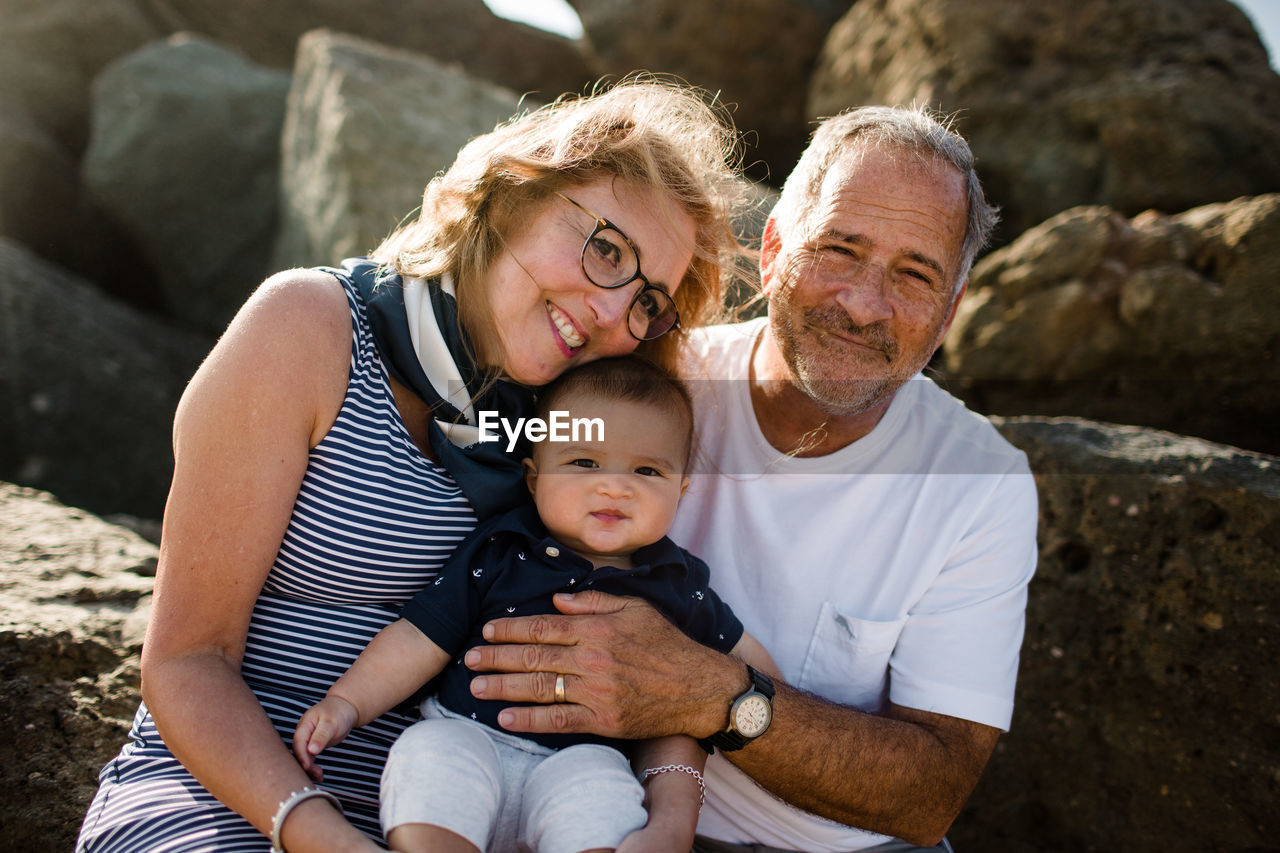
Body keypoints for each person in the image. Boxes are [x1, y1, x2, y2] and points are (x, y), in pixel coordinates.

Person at [75, 78, 749, 853]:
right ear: (513, 193)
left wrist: (669, 822)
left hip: (457, 815)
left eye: (647, 302)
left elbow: (643, 642)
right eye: (606, 249)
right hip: (231, 799)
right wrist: (322, 834)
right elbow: (188, 661)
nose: (609, 312)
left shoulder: (580, 440)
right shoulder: (310, 328)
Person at [462, 105, 1041, 852]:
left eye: (914, 273)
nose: (864, 304)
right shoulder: (641, 387)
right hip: (596, 810)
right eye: (840, 249)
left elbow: (932, 794)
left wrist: (716, 695)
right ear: (773, 250)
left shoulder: (981, 483)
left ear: (951, 310)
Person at [293, 356, 777, 853]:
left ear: (680, 490)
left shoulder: (678, 584)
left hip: (584, 758)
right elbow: (421, 637)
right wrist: (346, 704)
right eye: (584, 462)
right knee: (430, 754)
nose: (614, 486)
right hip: (469, 733)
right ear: (534, 477)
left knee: (604, 796)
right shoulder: (502, 548)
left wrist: (780, 703)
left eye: (647, 470)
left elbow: (747, 660)